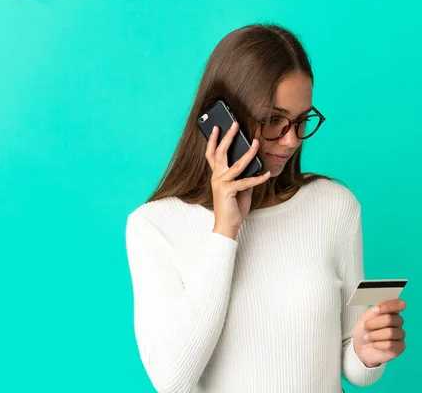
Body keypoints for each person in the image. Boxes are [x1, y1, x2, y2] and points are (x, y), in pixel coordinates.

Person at [125, 23, 407, 393]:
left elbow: (353, 366)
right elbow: (171, 380)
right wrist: (225, 232)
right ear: (225, 116)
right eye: (274, 120)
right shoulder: (155, 226)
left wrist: (369, 350)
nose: (290, 140)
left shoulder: (334, 206)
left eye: (302, 120)